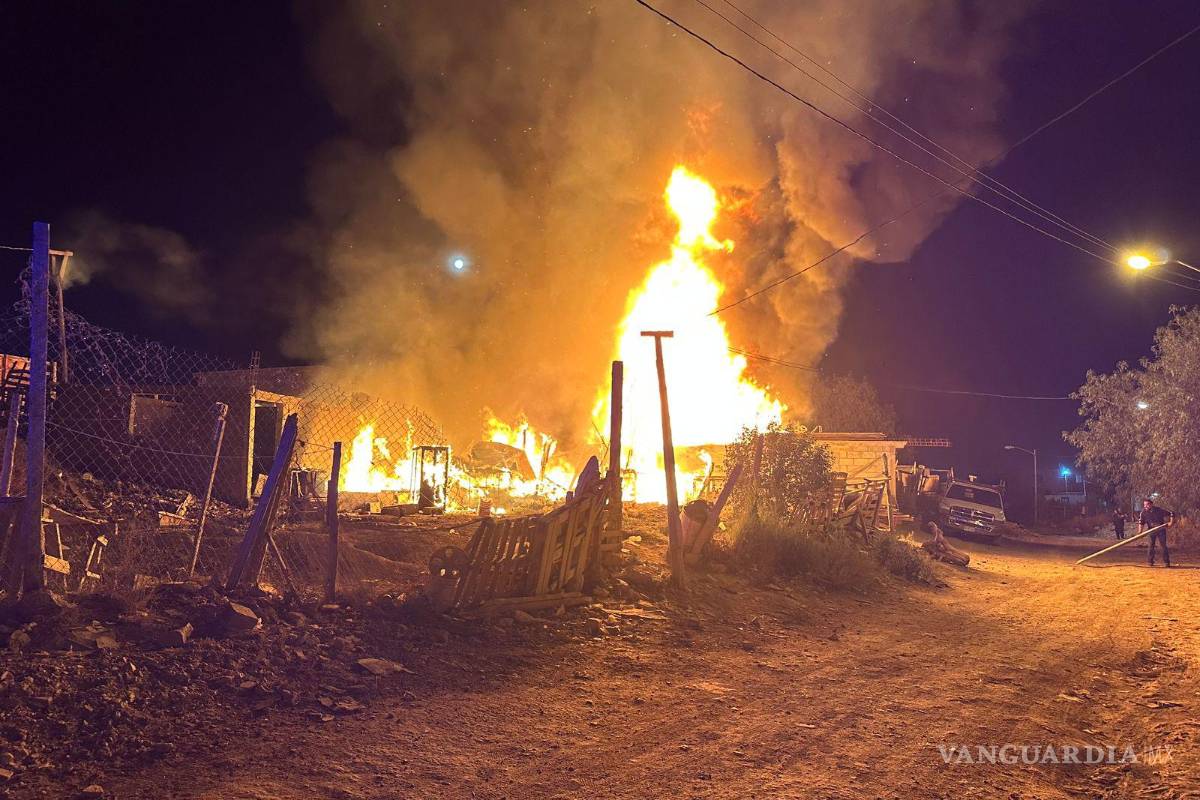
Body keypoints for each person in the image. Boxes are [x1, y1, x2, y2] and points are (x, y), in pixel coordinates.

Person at [1138, 498, 1175, 567]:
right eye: (1144, 505)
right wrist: (1140, 532)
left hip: (1161, 530)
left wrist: (1171, 522)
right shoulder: (1143, 512)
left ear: (1151, 504)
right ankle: (1150, 562)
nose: (1145, 506)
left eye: (1147, 504)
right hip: (1151, 530)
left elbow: (1171, 513)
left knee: (1163, 546)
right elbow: (1141, 522)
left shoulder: (1159, 510)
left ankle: (1167, 562)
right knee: (1151, 546)